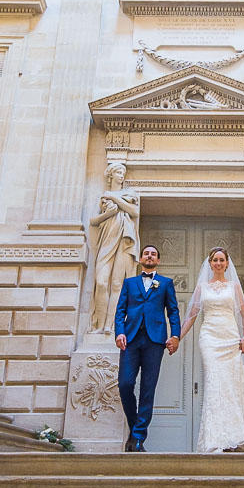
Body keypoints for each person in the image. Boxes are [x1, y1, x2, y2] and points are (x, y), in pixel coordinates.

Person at [182, 247, 244, 452]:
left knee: (233, 385)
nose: (218, 263)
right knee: (215, 382)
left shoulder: (234, 286)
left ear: (227, 263)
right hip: (209, 338)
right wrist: (177, 337)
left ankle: (238, 436)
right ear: (210, 263)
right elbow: (191, 315)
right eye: (214, 260)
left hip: (230, 337)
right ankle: (216, 439)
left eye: (221, 260)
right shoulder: (202, 287)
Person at [114, 244, 181, 452]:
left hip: (154, 341)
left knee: (147, 390)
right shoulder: (129, 283)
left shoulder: (166, 283)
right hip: (131, 339)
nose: (149, 256)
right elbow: (120, 310)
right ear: (141, 259)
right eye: (146, 253)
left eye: (153, 254)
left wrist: (175, 335)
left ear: (158, 261)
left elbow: (173, 311)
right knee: (125, 384)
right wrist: (119, 332)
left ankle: (137, 438)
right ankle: (136, 429)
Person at [88, 162, 139, 334]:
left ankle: (111, 325)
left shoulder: (128, 193)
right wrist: (108, 214)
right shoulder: (103, 197)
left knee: (118, 284)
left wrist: (113, 196)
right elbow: (93, 221)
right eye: (118, 172)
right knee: (101, 282)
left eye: (123, 172)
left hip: (124, 242)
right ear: (110, 176)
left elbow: (135, 212)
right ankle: (99, 325)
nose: (121, 175)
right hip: (106, 241)